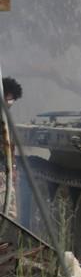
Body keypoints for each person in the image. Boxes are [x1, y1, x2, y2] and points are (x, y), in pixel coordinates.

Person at [1, 77, 19, 220]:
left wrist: (13, 167)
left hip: (4, 169)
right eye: (9, 99)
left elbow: (10, 147)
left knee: (9, 212)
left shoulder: (6, 118)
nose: (11, 102)